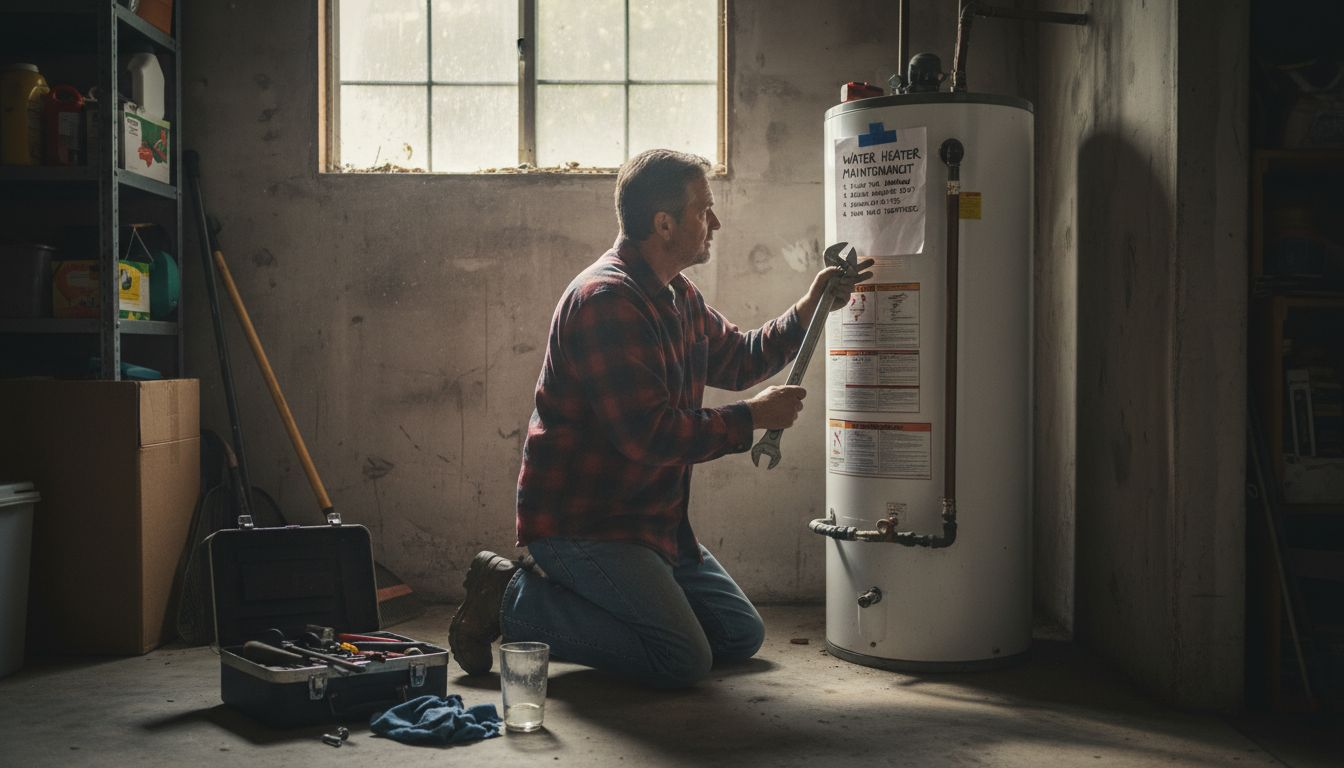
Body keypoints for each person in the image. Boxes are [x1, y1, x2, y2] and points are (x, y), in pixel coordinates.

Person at [448, 148, 872, 688]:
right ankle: (511, 599)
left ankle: (615, 604)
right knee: (683, 659)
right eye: (705, 210)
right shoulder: (606, 301)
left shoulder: (676, 293)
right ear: (664, 223)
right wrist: (750, 418)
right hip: (584, 525)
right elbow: (647, 436)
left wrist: (810, 308)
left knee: (739, 636)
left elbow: (739, 358)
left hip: (651, 522)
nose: (714, 222)